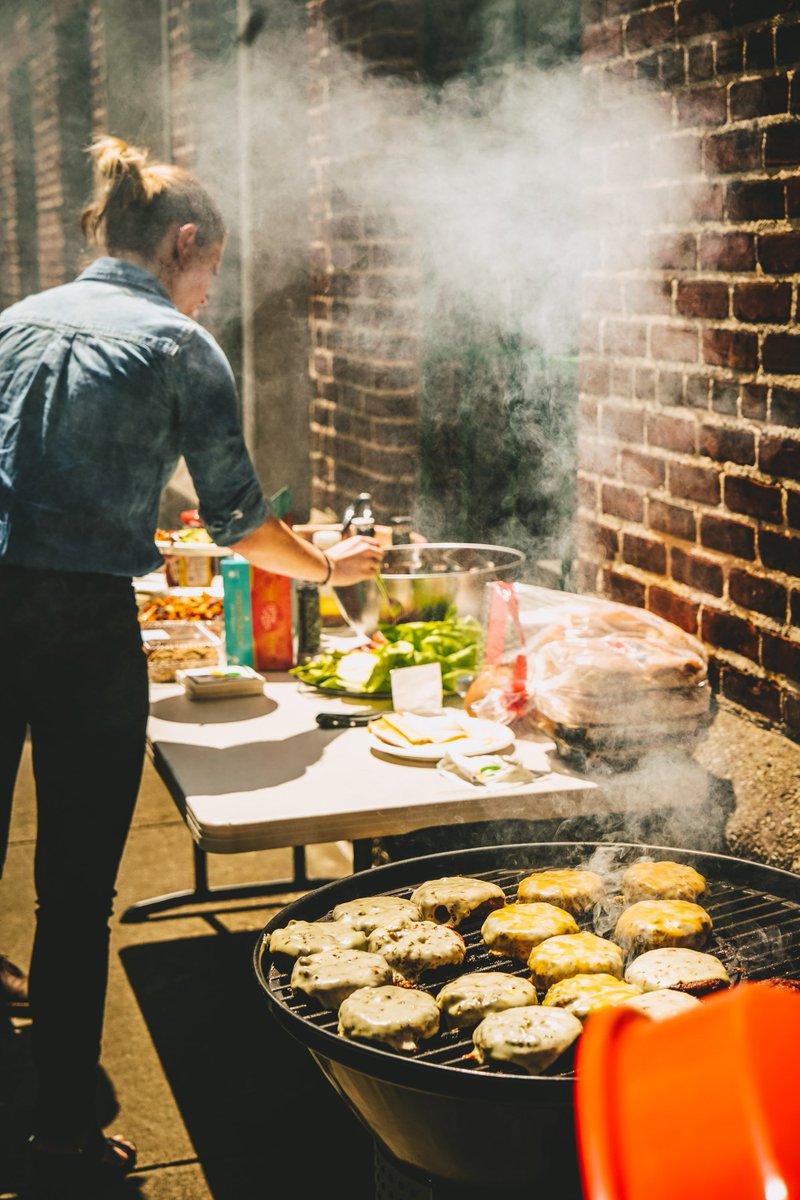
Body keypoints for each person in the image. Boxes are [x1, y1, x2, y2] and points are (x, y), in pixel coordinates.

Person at [0, 136, 382, 1192]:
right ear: (183, 244)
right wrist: (323, 569)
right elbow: (243, 521)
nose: (211, 292)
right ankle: (65, 1139)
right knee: (73, 897)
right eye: (211, 270)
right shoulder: (175, 343)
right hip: (79, 631)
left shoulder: (15, 323)